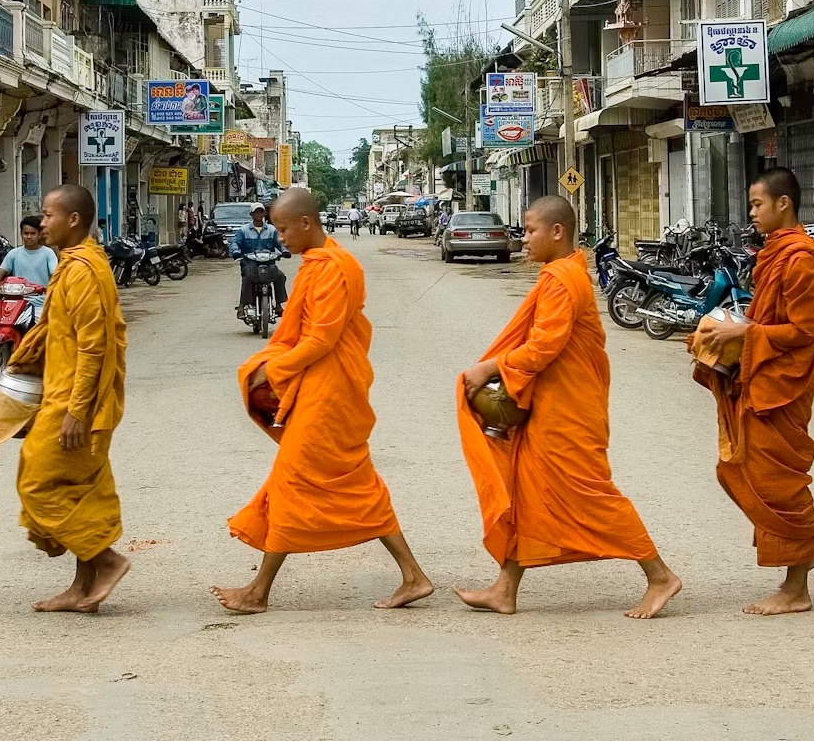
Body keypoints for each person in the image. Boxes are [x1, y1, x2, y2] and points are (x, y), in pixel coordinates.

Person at [454, 196, 683, 619]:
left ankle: (660, 575)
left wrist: (489, 366)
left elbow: (543, 346)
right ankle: (505, 589)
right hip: (551, 407)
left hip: (569, 412)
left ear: (557, 231)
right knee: (525, 492)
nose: (523, 239)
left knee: (591, 495)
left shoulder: (562, 280)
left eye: (530, 230)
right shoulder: (561, 274)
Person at [212, 189, 434, 615]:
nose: (280, 240)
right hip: (321, 386)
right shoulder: (318, 264)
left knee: (293, 478)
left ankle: (259, 591)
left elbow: (322, 339)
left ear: (306, 224)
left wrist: (271, 370)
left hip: (332, 390)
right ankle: (413, 576)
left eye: (283, 230)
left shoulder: (334, 268)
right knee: (348, 482)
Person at [690, 168, 814, 615]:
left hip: (783, 385)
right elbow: (763, 317)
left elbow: (802, 329)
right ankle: (802, 553)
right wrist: (718, 335)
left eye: (757, 204)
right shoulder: (774, 254)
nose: (751, 213)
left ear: (782, 204)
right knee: (732, 470)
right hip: (762, 376)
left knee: (778, 484)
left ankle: (796, 587)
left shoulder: (802, 259)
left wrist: (744, 338)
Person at [5, 183, 132, 612]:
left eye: (48, 214)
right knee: (76, 489)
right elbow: (55, 330)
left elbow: (94, 346)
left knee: (37, 482)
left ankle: (108, 561)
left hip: (76, 401)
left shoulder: (82, 270)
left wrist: (77, 412)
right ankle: (82, 586)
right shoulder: (73, 264)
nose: (41, 223)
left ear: (72, 220)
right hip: (60, 391)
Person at [0, 216, 59, 314]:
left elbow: (55, 276)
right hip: (15, 303)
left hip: (40, 305)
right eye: (26, 233)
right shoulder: (14, 253)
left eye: (33, 233)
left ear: (40, 234)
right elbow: (0, 273)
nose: (29, 236)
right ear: (21, 234)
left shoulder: (48, 253)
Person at [229, 204, 290, 314]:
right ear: (251, 214)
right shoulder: (244, 230)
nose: (258, 214)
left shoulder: (272, 230)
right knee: (247, 277)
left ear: (264, 214)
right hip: (249, 263)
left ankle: (278, 304)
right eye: (256, 212)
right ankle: (243, 305)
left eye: (260, 212)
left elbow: (280, 243)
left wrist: (284, 250)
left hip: (269, 263)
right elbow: (235, 242)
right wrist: (235, 251)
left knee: (280, 276)